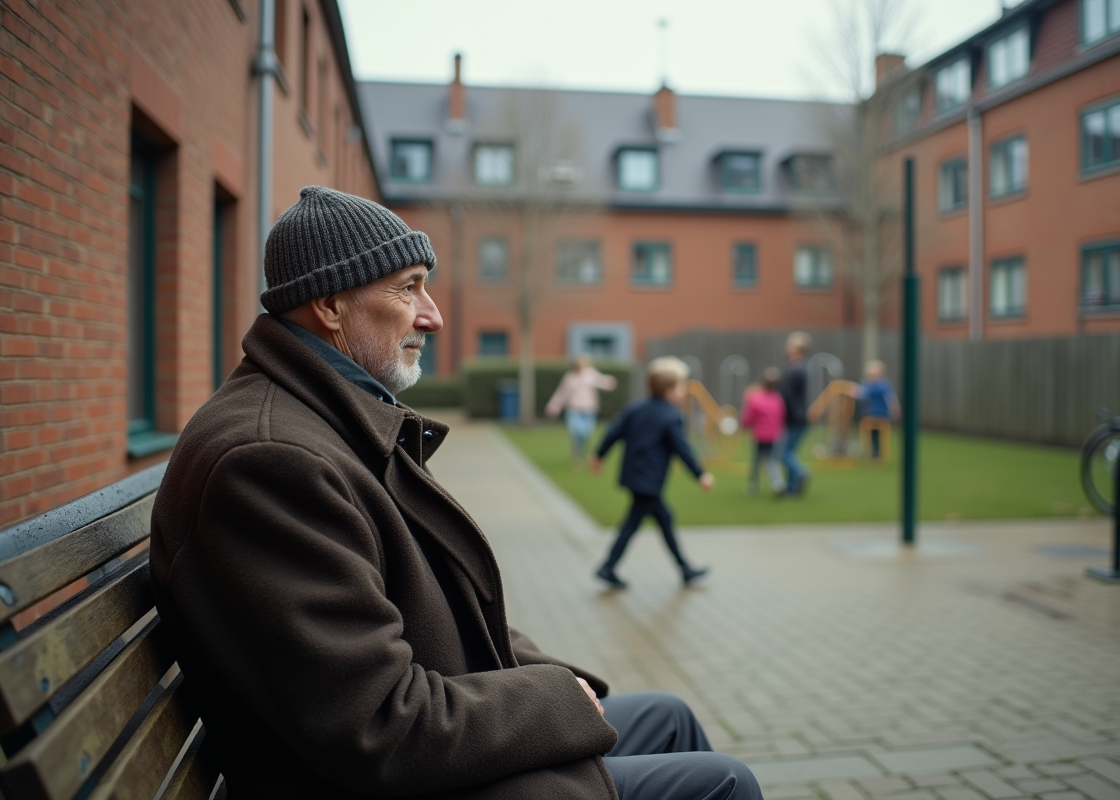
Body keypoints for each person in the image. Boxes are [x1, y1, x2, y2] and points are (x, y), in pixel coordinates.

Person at [150, 187, 763, 800]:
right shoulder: (270, 460)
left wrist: (556, 682)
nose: (433, 315)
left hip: (443, 735)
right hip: (396, 780)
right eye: (407, 287)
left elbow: (451, 607)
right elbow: (378, 725)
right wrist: (551, 699)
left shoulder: (328, 420)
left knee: (668, 714)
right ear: (331, 304)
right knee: (724, 784)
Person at [591, 356, 715, 589]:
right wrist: (701, 474)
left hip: (634, 476)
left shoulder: (636, 407)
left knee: (662, 520)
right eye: (680, 387)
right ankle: (608, 567)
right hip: (648, 481)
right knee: (635, 524)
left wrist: (599, 455)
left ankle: (684, 569)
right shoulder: (671, 416)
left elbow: (613, 431)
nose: (683, 392)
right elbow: (683, 449)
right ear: (669, 391)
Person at [545, 354, 618, 467]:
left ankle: (582, 453)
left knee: (586, 434)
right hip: (575, 410)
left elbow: (601, 381)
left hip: (589, 410)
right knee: (577, 432)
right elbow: (561, 393)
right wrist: (554, 406)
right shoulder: (569, 377)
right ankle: (577, 456)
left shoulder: (590, 374)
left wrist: (609, 382)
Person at [740, 367, 786, 496]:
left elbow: (749, 417)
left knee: (756, 461)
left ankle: (753, 486)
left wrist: (743, 427)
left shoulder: (756, 399)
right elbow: (781, 417)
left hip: (760, 436)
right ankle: (777, 482)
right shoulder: (778, 399)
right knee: (772, 460)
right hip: (775, 435)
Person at [779, 331, 812, 496]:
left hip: (794, 418)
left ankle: (800, 472)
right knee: (788, 451)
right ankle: (791, 488)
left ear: (797, 349)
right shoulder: (797, 368)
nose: (786, 348)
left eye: (790, 345)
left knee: (783, 453)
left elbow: (787, 396)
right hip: (796, 417)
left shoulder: (795, 370)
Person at [858, 359, 900, 460]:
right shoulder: (867, 384)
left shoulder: (882, 385)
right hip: (869, 412)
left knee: (876, 431)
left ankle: (877, 453)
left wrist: (894, 409)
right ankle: (873, 452)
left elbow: (890, 398)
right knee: (873, 433)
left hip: (879, 413)